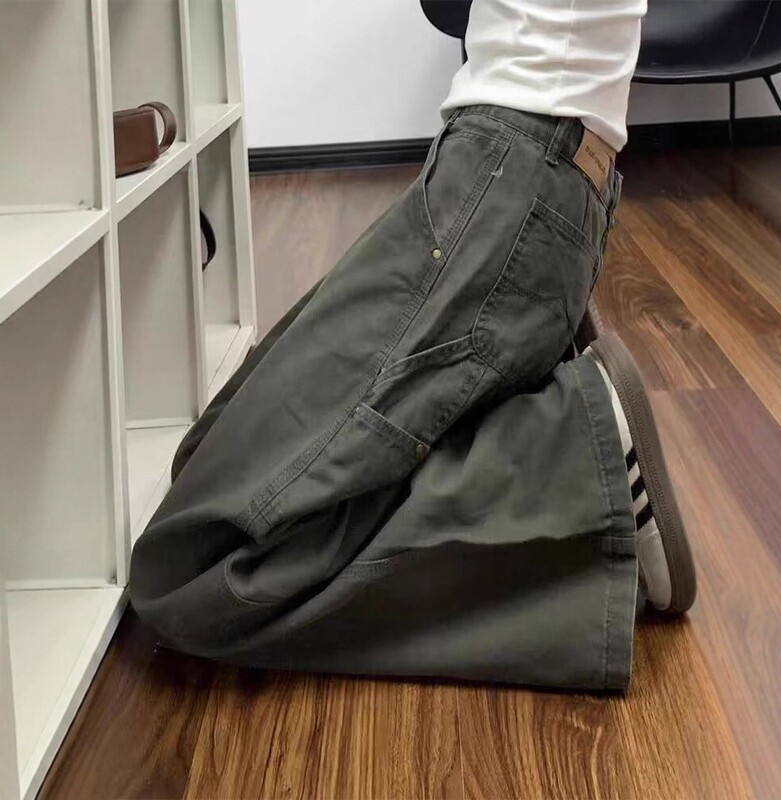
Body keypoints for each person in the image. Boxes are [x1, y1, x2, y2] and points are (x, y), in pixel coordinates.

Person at [129, 0, 696, 692]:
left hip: (511, 174)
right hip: (516, 174)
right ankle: (560, 453)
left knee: (188, 568)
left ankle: (577, 453)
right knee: (203, 458)